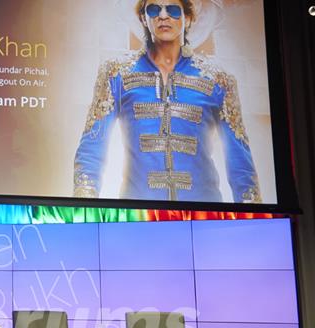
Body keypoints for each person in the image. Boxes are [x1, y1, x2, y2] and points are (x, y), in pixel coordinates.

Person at [73, 0, 262, 203]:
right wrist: (85, 202)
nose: (163, 16)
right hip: (138, 214)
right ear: (143, 18)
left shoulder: (219, 80)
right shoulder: (115, 74)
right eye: (154, 9)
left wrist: (250, 210)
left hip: (204, 214)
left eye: (172, 9)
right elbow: (93, 147)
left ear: (187, 19)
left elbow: (239, 159)